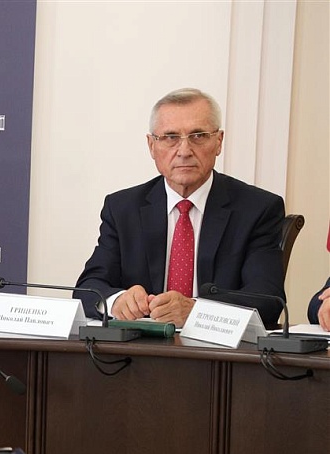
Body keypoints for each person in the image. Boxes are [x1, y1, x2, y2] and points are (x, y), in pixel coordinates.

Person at [75, 88, 285, 327]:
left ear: (218, 142)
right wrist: (117, 301)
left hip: (216, 347)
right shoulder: (123, 208)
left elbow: (268, 300)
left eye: (198, 136)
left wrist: (196, 311)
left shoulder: (257, 209)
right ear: (151, 146)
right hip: (139, 346)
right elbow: (88, 288)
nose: (184, 151)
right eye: (170, 137)